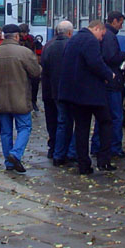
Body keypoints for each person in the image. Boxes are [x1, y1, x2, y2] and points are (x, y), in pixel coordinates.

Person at [57, 19, 116, 175]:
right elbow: (95, 62)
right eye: (102, 34)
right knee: (106, 122)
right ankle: (104, 160)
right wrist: (109, 75)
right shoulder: (90, 41)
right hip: (91, 93)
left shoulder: (74, 39)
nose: (101, 39)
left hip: (74, 94)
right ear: (96, 28)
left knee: (82, 128)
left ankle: (83, 164)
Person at [0, 24, 42, 173]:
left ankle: (9, 163)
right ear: (17, 36)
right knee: (25, 127)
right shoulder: (25, 53)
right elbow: (36, 73)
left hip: (1, 101)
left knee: (6, 132)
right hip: (21, 99)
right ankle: (15, 154)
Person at [93, 11, 125, 159]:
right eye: (121, 22)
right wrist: (124, 56)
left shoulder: (106, 35)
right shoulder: (110, 36)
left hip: (106, 82)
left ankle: (97, 146)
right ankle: (115, 148)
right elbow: (111, 57)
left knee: (102, 117)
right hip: (112, 82)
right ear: (114, 21)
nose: (121, 25)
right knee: (116, 116)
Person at [40, 20, 76, 164]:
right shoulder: (71, 46)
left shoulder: (48, 46)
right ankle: (63, 152)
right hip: (65, 91)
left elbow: (44, 67)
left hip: (49, 90)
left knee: (52, 120)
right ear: (69, 33)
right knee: (66, 121)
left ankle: (53, 148)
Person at [17, 23, 40, 107]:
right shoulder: (17, 40)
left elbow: (38, 49)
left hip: (30, 62)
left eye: (26, 32)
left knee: (35, 81)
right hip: (20, 63)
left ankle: (33, 100)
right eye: (23, 33)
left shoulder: (31, 39)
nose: (25, 34)